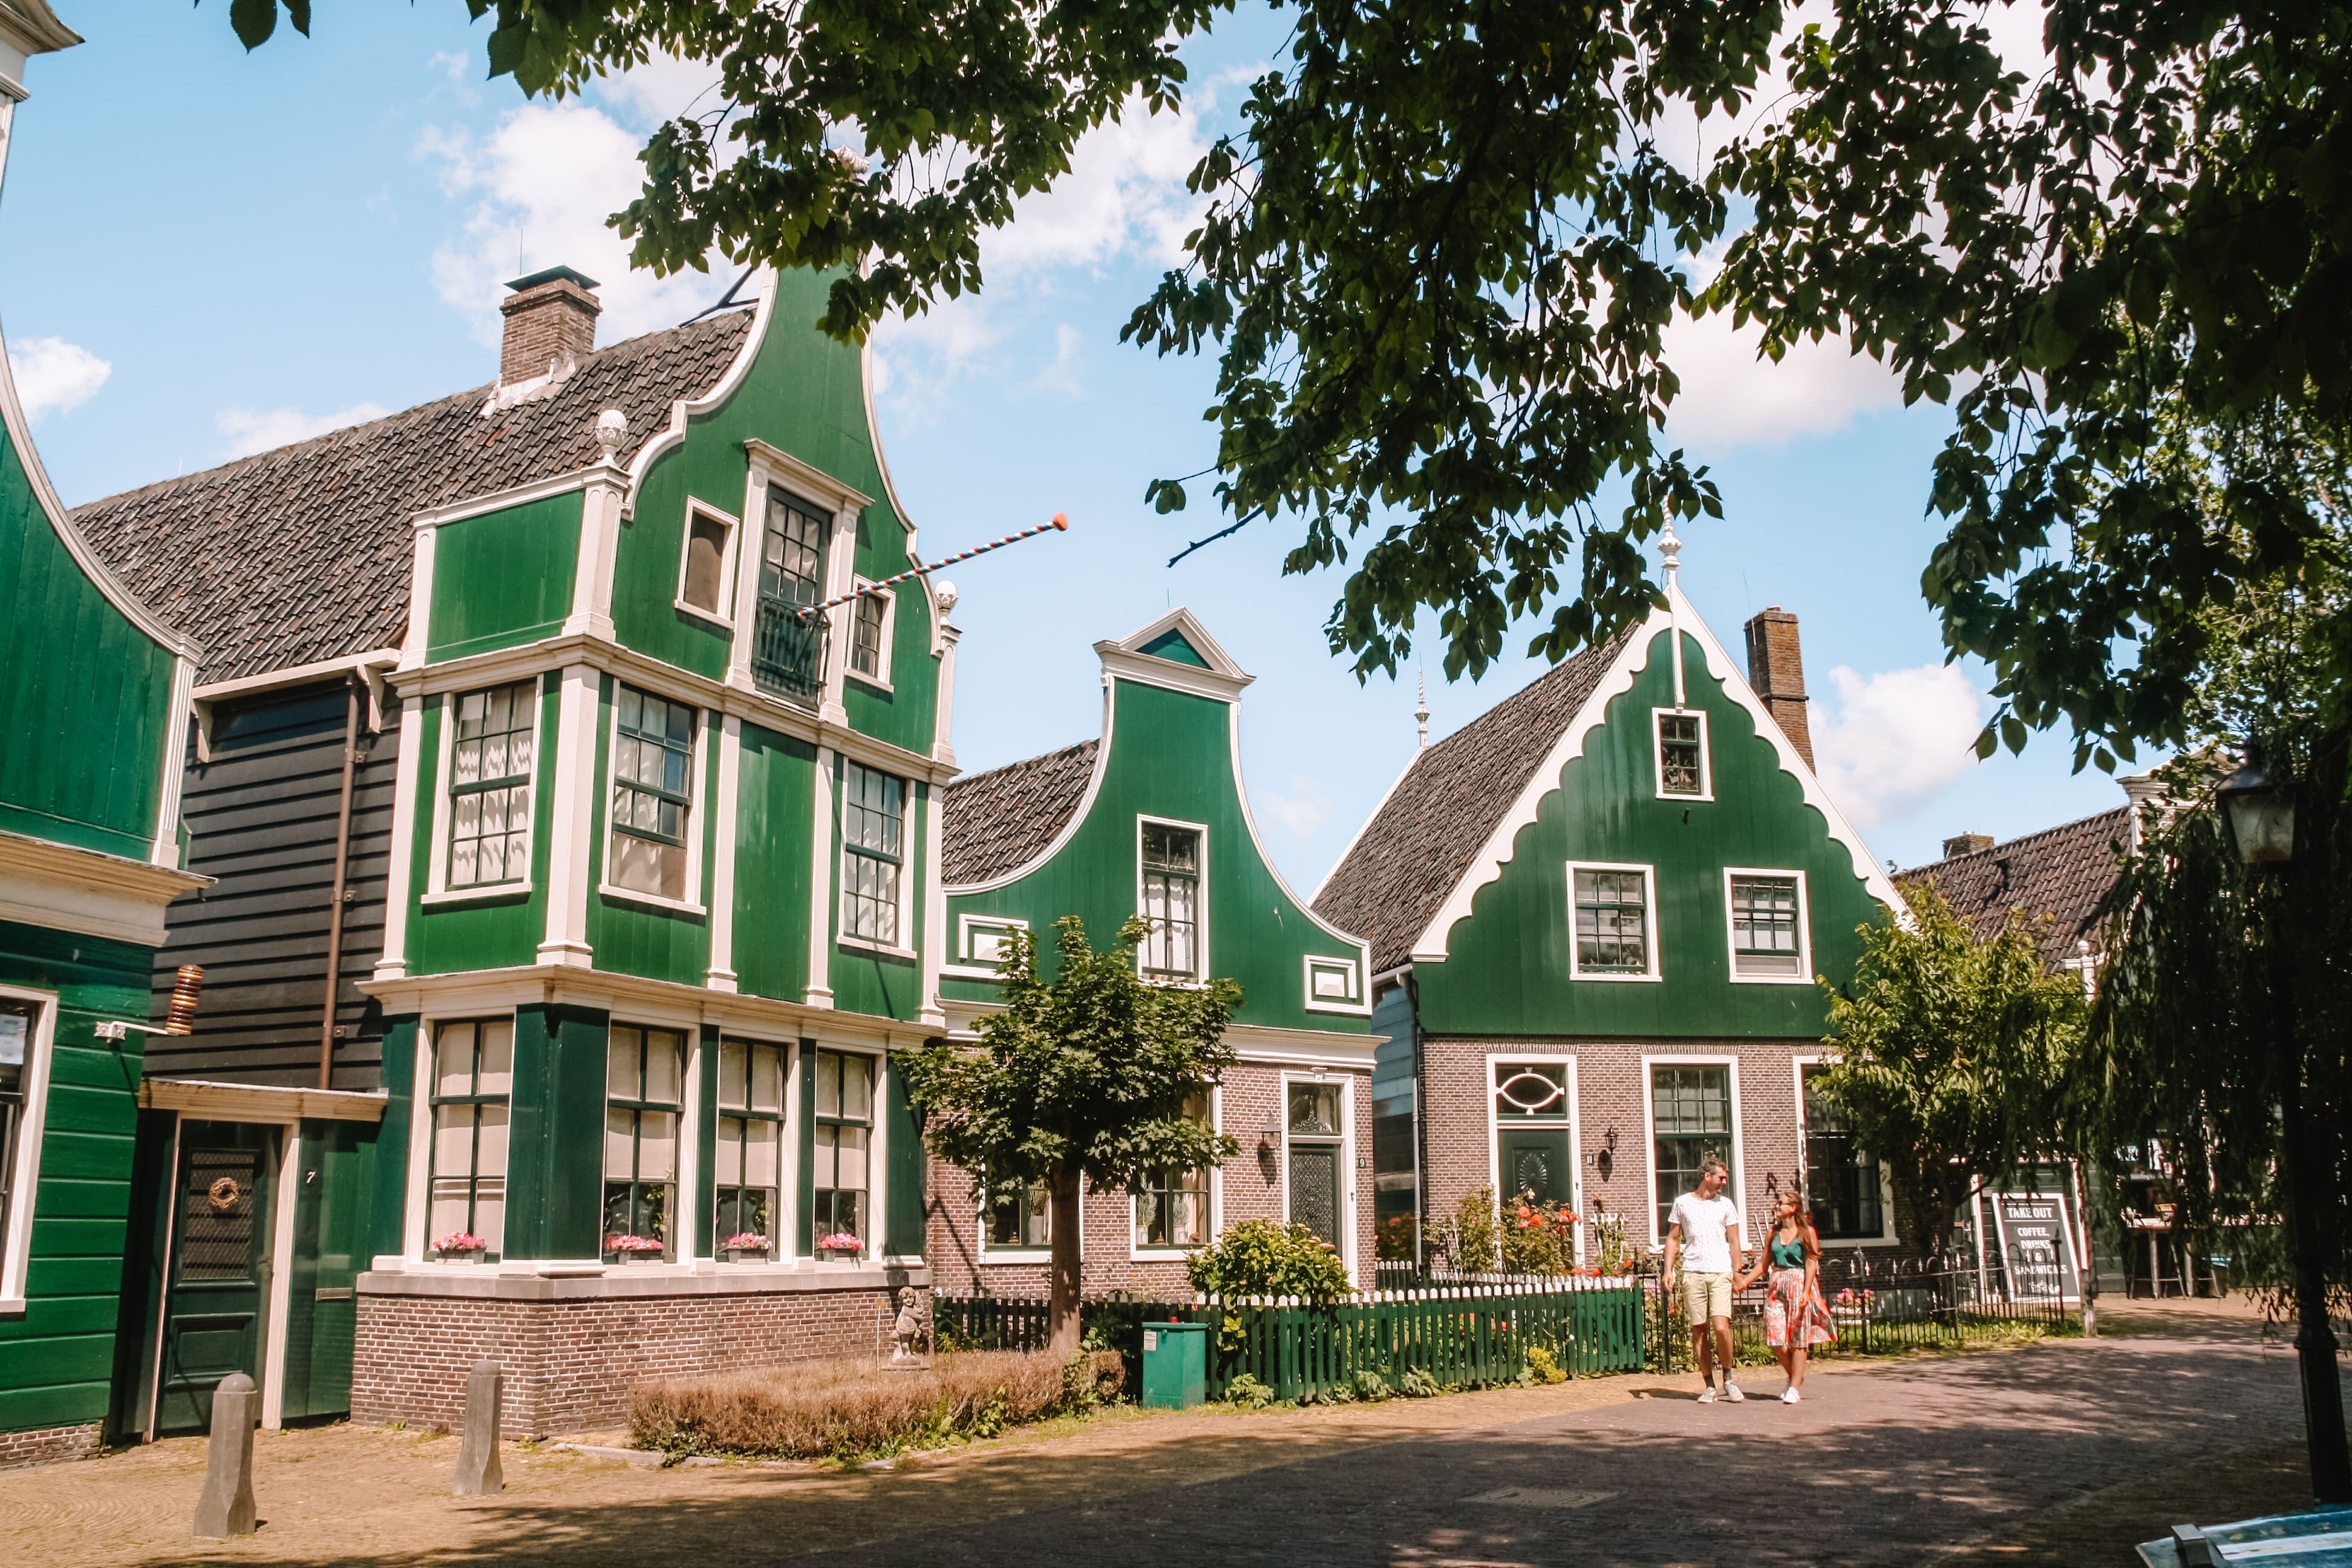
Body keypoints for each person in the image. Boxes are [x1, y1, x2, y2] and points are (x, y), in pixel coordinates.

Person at [1737, 1188, 1837, 1402]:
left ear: (1792, 1209)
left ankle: (1794, 1389)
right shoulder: (1772, 1233)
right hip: (1777, 1285)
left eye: (1781, 1203)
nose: (1777, 1206)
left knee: (1799, 1339)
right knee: (1775, 1338)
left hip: (1798, 1283)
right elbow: (1763, 1265)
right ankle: (1795, 1378)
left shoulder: (1807, 1232)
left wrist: (1807, 1290)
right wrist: (1745, 1281)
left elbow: (1811, 1262)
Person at [1664, 1155, 1745, 1403]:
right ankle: (1709, 1385)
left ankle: (1729, 1379)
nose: (1724, 1182)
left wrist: (1738, 1271)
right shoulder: (1682, 1203)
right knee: (1699, 1329)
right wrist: (1669, 1270)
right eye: (1721, 1177)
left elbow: (1734, 1241)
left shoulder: (1726, 1205)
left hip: (1720, 1271)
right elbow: (1673, 1238)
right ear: (1707, 1176)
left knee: (1721, 1327)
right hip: (1693, 1271)